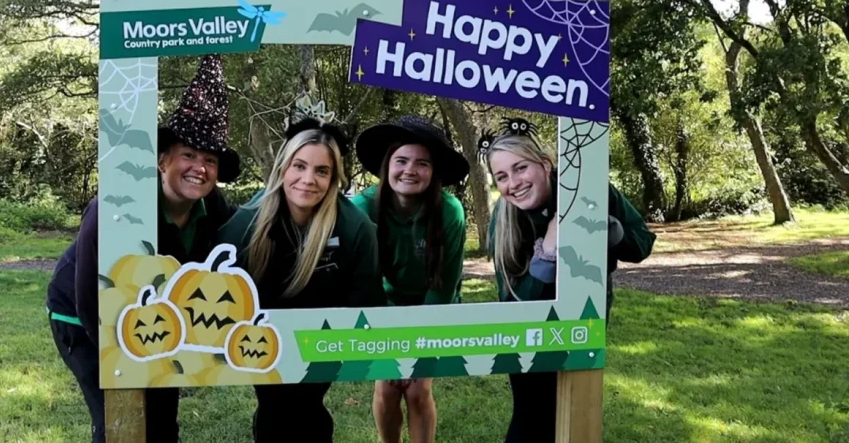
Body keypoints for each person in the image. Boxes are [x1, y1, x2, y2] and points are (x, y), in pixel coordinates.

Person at [45, 54, 242, 443]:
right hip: (84, 320)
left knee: (162, 416)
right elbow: (89, 296)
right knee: (120, 414)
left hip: (153, 318)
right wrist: (119, 356)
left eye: (209, 160)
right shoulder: (118, 204)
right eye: (188, 155)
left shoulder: (214, 207)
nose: (198, 167)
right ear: (163, 159)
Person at [217, 96, 386, 443]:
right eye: (299, 166)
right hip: (263, 338)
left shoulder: (356, 228)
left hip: (323, 339)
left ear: (334, 177)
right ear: (283, 168)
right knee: (276, 407)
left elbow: (366, 303)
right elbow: (215, 287)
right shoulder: (247, 223)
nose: (308, 179)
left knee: (305, 405)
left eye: (321, 170)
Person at [481, 117, 655, 443]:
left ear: (545, 164)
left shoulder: (591, 190)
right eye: (501, 176)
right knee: (532, 417)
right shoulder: (502, 221)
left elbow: (641, 243)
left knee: (578, 415)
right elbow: (514, 304)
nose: (513, 182)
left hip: (584, 324)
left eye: (521, 168)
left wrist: (603, 227)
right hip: (529, 337)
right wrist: (546, 253)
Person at [350, 115, 470, 443]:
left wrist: (417, 348)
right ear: (387, 165)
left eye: (422, 163)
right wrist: (391, 349)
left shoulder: (449, 212)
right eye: (401, 160)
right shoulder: (362, 209)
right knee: (387, 386)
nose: (410, 170)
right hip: (383, 305)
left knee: (418, 389)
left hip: (432, 304)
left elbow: (444, 285)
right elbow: (364, 283)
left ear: (433, 173)